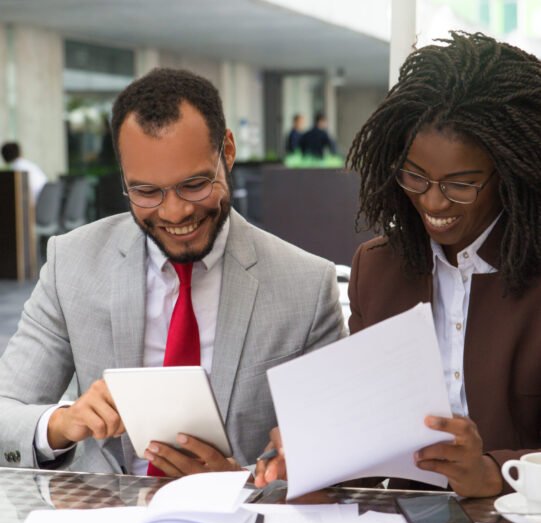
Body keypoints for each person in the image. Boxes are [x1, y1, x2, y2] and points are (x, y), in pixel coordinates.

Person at [0, 68, 345, 477]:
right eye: (146, 192)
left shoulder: (305, 285)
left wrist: (239, 480)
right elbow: (7, 413)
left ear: (227, 152)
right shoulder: (72, 263)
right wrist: (60, 423)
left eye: (195, 184)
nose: (174, 211)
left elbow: (333, 444)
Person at [256, 31, 541, 498]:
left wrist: (493, 471)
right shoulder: (378, 270)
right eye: (415, 177)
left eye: (460, 183)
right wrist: (314, 452)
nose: (431, 201)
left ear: (512, 173)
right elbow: (370, 452)